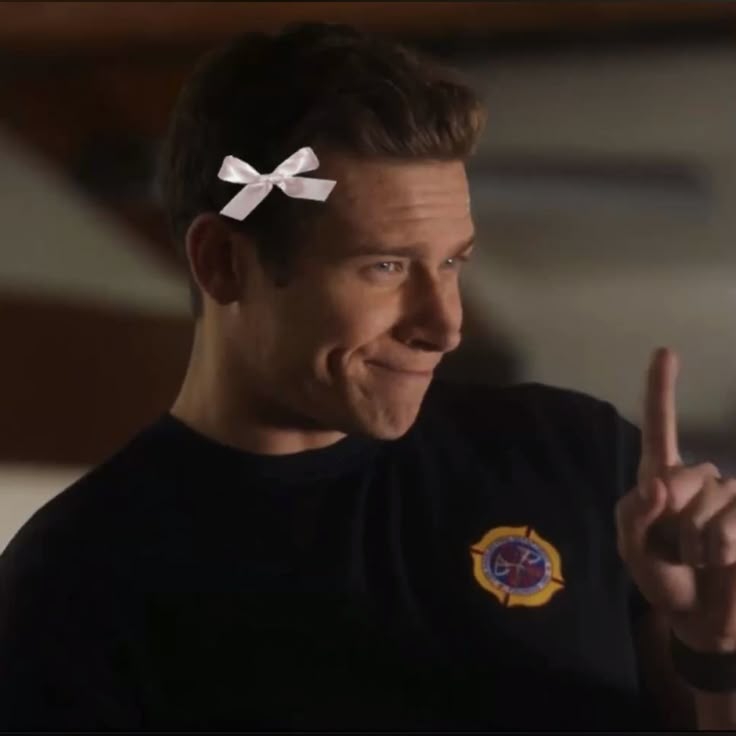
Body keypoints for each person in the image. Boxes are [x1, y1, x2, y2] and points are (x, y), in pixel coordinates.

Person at [1, 22, 735, 730]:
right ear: (222, 262)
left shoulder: (572, 458)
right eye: (385, 266)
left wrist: (717, 643)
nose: (445, 325)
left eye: (452, 263)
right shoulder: (76, 583)